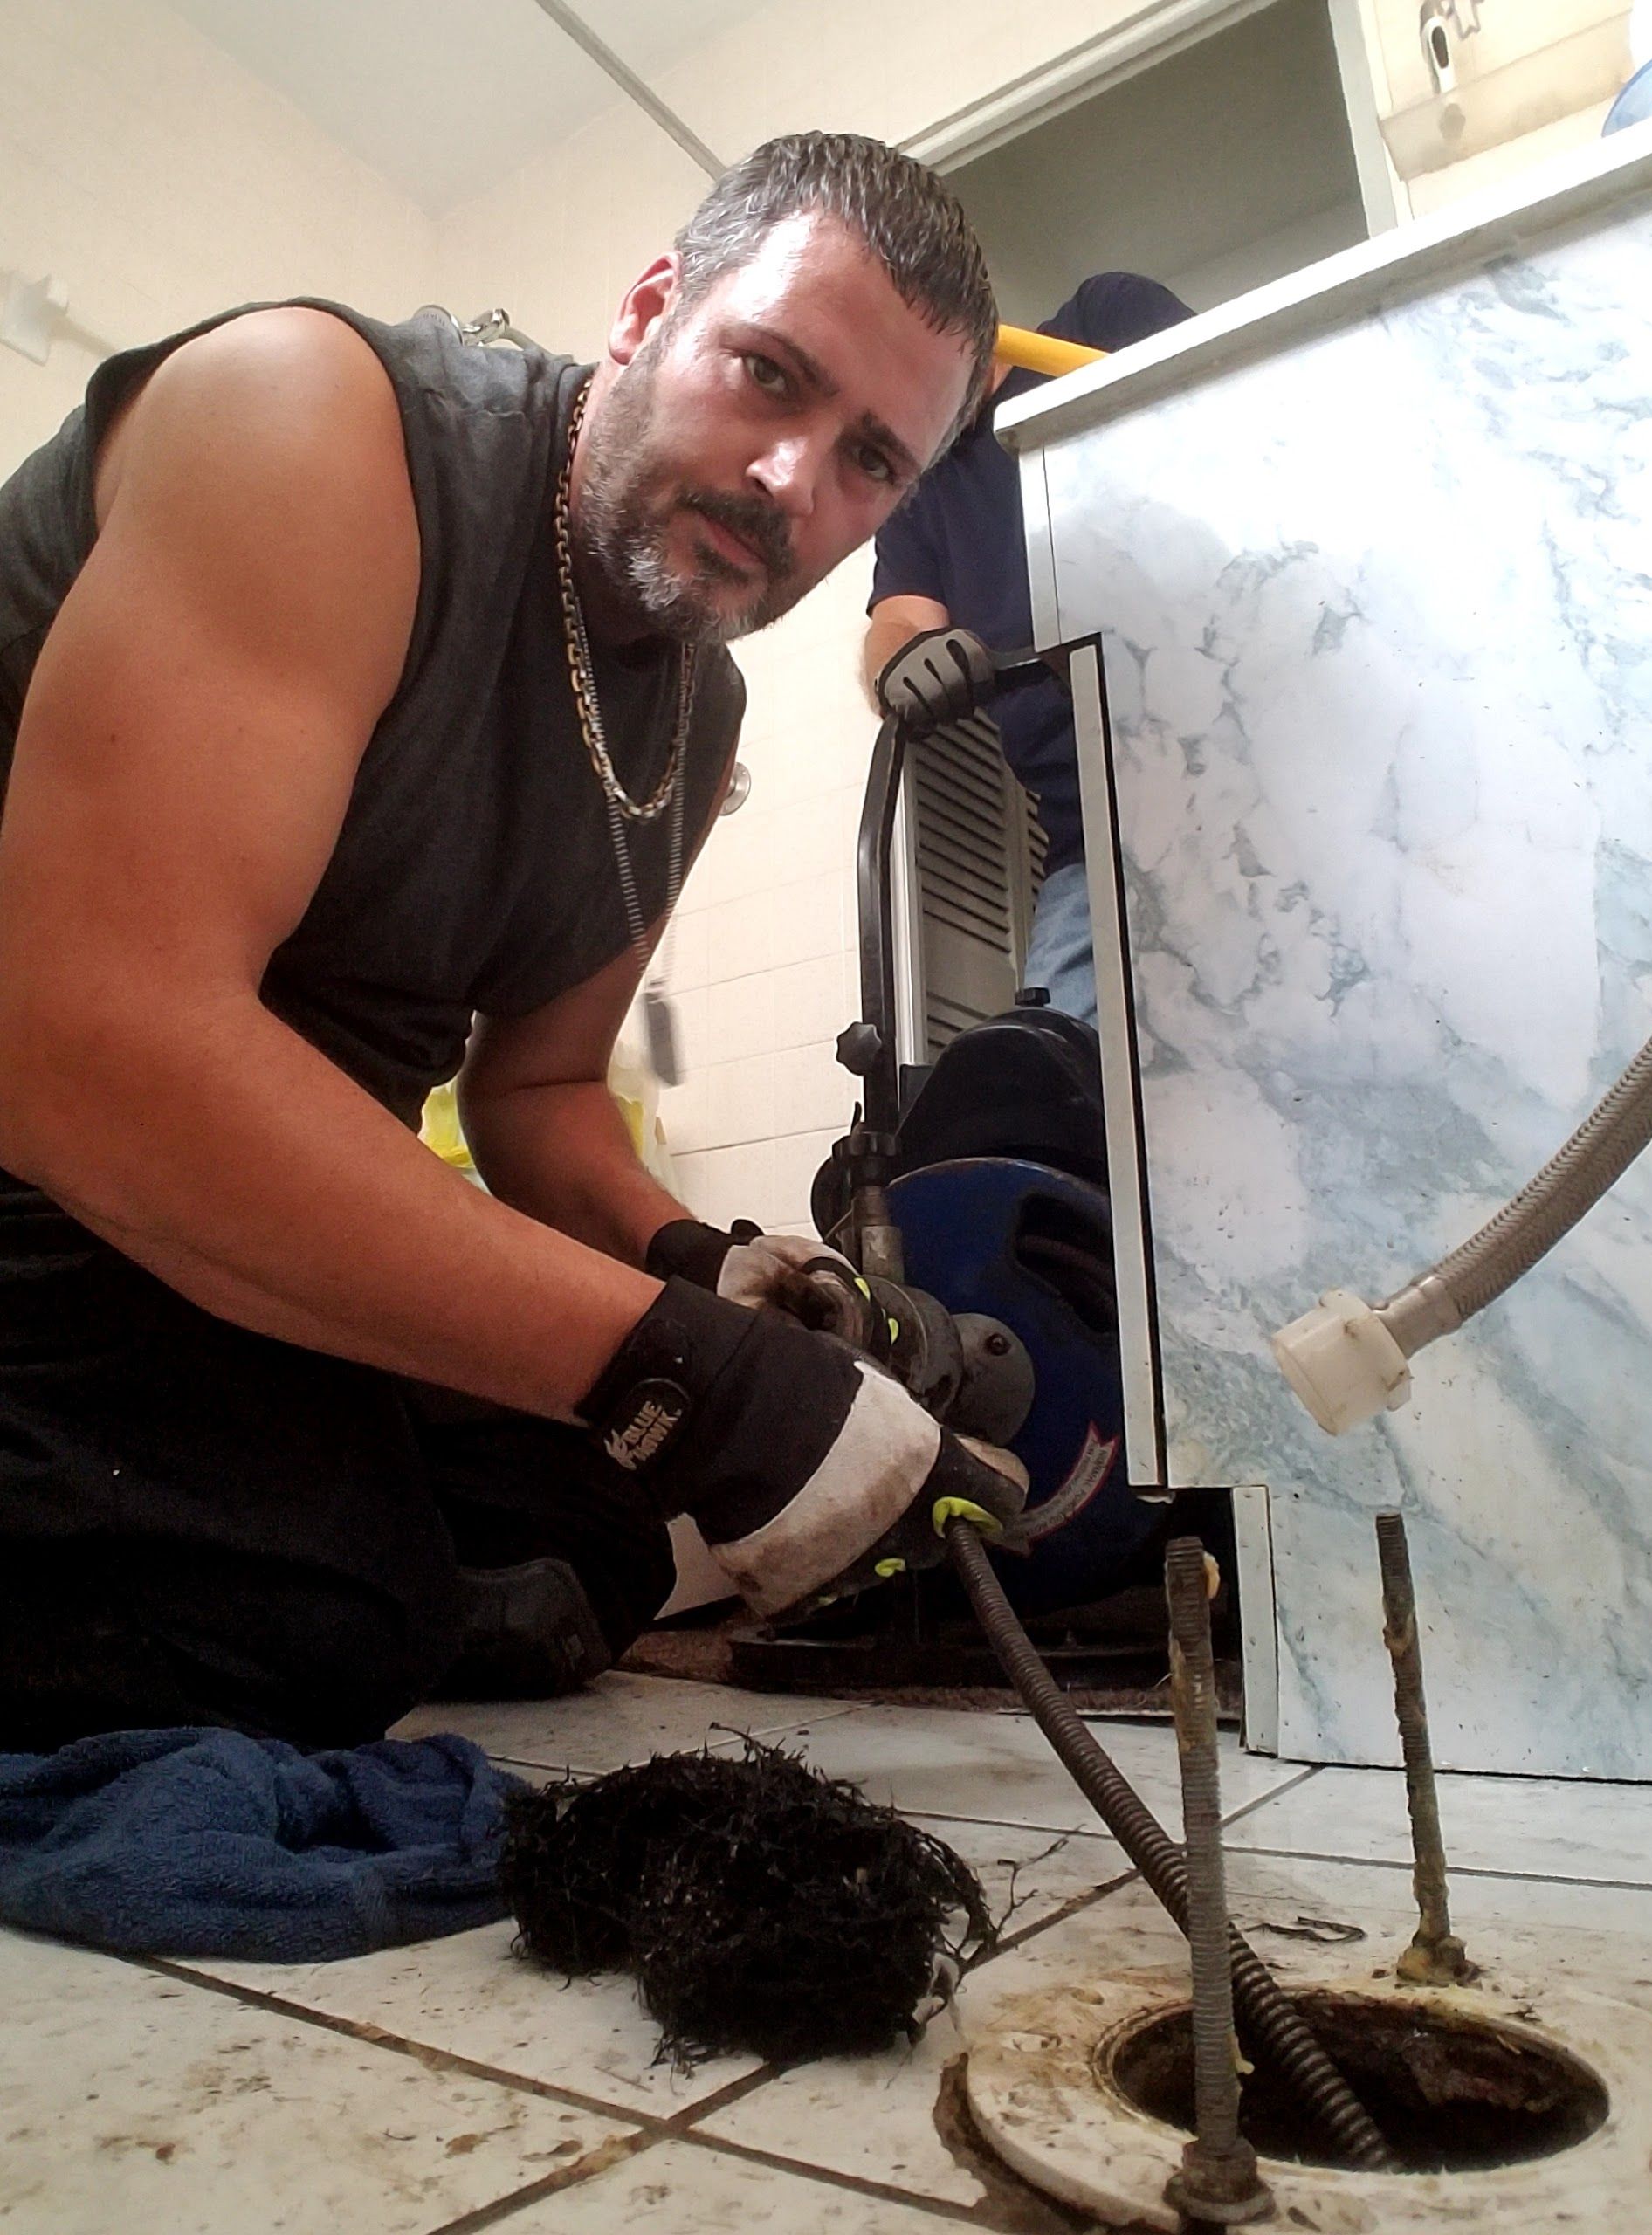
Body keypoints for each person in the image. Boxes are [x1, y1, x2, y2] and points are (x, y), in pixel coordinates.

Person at [0, 132, 1026, 1754]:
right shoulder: (315, 424)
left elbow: (536, 1098)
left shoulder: (703, 709)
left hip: (246, 1202)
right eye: (766, 375)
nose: (791, 483)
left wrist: (725, 1278)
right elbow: (89, 1054)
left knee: (601, 1533)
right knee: (301, 1611)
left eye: (869, 463)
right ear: (645, 312)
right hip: (48, 1173)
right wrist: (684, 1375)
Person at [864, 274, 1192, 1027]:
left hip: (1243, 785)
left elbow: (1228, 428)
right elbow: (897, 622)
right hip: (1089, 840)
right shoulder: (921, 489)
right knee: (1035, 1089)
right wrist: (900, 662)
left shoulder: (1102, 322)